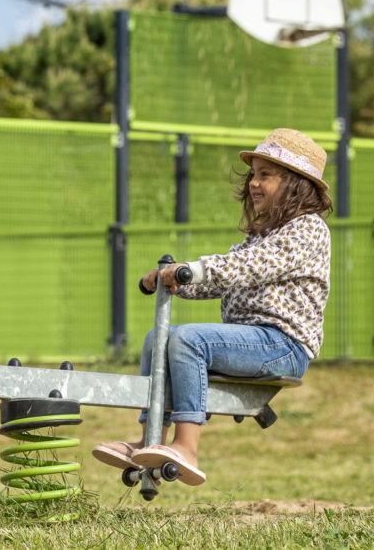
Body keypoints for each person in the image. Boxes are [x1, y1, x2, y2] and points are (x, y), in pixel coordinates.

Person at [92, 128, 333, 485]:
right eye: (253, 174)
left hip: (282, 343)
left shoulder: (308, 229)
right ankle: (149, 440)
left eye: (266, 174)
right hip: (251, 339)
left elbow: (253, 265)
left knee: (189, 340)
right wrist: (176, 281)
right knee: (155, 339)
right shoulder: (260, 234)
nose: (254, 182)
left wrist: (194, 270)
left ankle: (187, 447)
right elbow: (223, 278)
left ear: (296, 184)